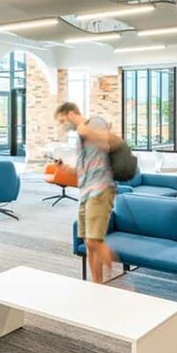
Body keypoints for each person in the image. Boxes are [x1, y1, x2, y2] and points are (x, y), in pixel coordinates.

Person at [54, 102, 118, 284]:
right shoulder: (79, 138)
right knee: (88, 243)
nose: (63, 126)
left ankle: (121, 282)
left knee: (93, 241)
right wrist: (64, 168)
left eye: (63, 121)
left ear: (71, 114)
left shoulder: (94, 123)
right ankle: (96, 284)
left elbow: (107, 142)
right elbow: (82, 170)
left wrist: (84, 130)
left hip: (100, 189)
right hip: (85, 192)